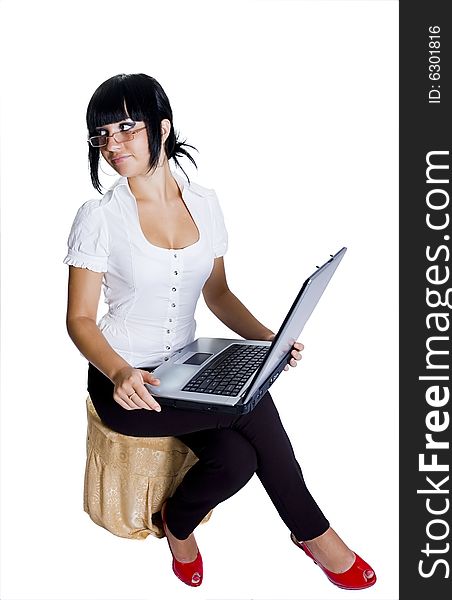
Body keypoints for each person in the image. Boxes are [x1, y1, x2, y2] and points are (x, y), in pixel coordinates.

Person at [64, 73, 376, 590]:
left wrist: (267, 340)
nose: (112, 144)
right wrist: (119, 371)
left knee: (235, 460)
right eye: (101, 134)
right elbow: (78, 319)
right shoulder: (98, 218)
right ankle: (315, 535)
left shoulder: (204, 203)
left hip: (189, 366)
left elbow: (219, 294)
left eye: (125, 127)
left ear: (162, 127)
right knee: (254, 411)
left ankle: (177, 525)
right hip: (128, 379)